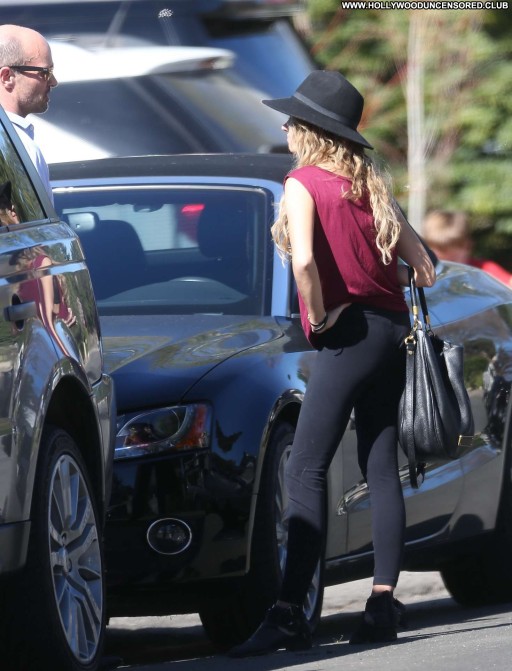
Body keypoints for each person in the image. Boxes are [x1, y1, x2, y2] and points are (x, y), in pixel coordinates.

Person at [229, 70, 436, 657]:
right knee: (380, 463)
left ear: (309, 130)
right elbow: (425, 269)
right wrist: (376, 273)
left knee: (306, 469)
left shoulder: (304, 182)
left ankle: (290, 613)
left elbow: (303, 265)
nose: (285, 129)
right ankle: (382, 602)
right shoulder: (369, 187)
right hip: (390, 330)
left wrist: (320, 317)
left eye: (291, 121)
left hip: (347, 334)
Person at [0, 24, 58, 203]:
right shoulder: (19, 147)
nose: (54, 82)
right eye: (45, 73)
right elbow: (33, 220)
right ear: (7, 77)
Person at [422, 209, 512, 287]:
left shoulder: (483, 270)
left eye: (453, 260)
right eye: (442, 260)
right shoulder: (423, 273)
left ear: (468, 246)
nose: (448, 267)